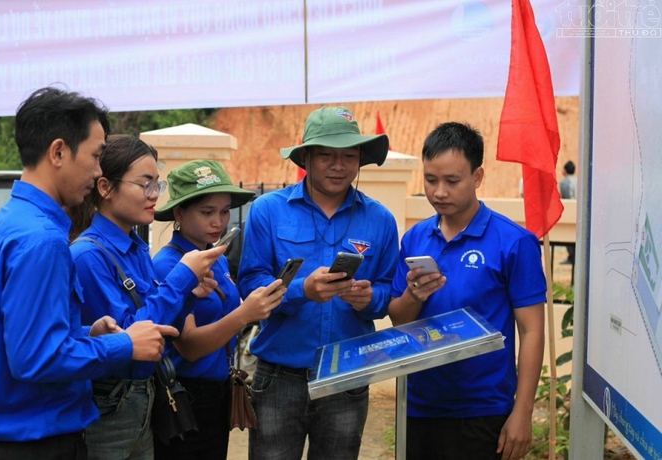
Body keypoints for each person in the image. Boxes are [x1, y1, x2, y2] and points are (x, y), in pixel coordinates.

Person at [0, 86, 178, 460]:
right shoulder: (44, 240)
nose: (98, 172)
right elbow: (36, 358)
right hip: (40, 444)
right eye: (95, 156)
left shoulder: (6, 224)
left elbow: (15, 335)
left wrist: (84, 332)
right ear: (59, 152)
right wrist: (125, 344)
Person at [237, 106, 399, 460]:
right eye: (326, 155)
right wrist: (301, 292)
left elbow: (390, 291)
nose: (338, 165)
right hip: (280, 376)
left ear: (360, 160)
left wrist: (369, 298)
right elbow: (250, 283)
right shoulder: (268, 210)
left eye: (348, 156)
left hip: (348, 376)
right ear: (306, 157)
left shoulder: (380, 220)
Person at [388, 122, 546, 460]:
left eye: (452, 181)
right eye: (431, 180)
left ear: (477, 177)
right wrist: (413, 296)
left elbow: (532, 331)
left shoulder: (514, 243)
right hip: (418, 404)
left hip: (483, 410)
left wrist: (523, 412)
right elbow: (399, 321)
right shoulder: (415, 239)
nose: (439, 192)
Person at [68, 137, 227, 460]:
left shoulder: (135, 247)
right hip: (111, 404)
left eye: (157, 183)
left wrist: (188, 295)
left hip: (144, 397)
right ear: (105, 187)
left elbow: (159, 325)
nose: (155, 194)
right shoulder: (88, 256)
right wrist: (182, 277)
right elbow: (129, 340)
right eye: (145, 184)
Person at [151, 160, 286, 460]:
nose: (219, 221)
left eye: (225, 211)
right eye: (207, 212)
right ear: (179, 213)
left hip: (218, 393)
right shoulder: (169, 265)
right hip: (184, 396)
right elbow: (189, 346)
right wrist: (245, 314)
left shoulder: (216, 257)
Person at [559, 160, 577, 265]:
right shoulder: (577, 181)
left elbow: (567, 199)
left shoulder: (565, 183)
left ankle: (571, 257)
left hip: (570, 211)